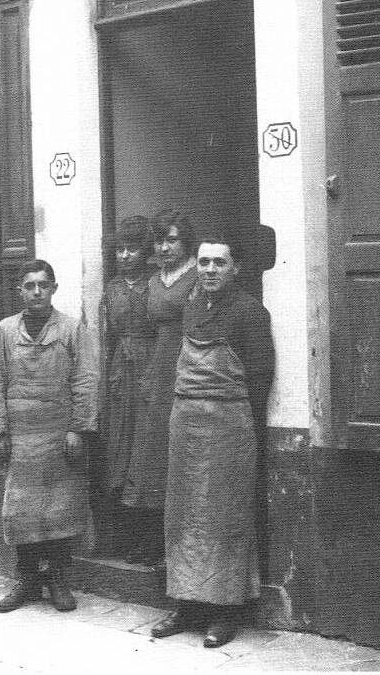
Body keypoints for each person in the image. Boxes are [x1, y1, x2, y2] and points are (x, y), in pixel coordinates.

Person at [150, 231, 274, 649]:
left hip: (229, 426)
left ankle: (225, 612)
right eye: (203, 262)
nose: (209, 270)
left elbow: (260, 377)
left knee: (224, 516)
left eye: (219, 262)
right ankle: (186, 606)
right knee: (184, 514)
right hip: (186, 424)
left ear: (235, 268)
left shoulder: (250, 312)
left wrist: (240, 424)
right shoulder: (190, 306)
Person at [0, 259, 98, 613]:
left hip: (59, 436)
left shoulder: (71, 328)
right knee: (22, 512)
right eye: (30, 285)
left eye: (43, 285)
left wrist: (78, 429)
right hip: (21, 438)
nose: (37, 292)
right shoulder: (5, 330)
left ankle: (59, 581)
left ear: (54, 289)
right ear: (20, 290)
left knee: (59, 510)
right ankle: (28, 581)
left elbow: (85, 380)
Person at [120, 210, 199, 566]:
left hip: (187, 368)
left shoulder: (198, 276)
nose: (164, 248)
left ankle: (182, 548)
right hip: (156, 374)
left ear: (186, 242)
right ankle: (155, 542)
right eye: (159, 241)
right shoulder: (154, 281)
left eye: (172, 240)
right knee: (152, 457)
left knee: (182, 456)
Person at [95, 217, 156, 552]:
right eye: (120, 249)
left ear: (144, 251)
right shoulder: (112, 289)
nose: (125, 255)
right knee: (120, 446)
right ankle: (124, 538)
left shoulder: (155, 283)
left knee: (146, 447)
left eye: (132, 249)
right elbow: (105, 338)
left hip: (150, 367)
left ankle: (151, 539)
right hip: (120, 373)